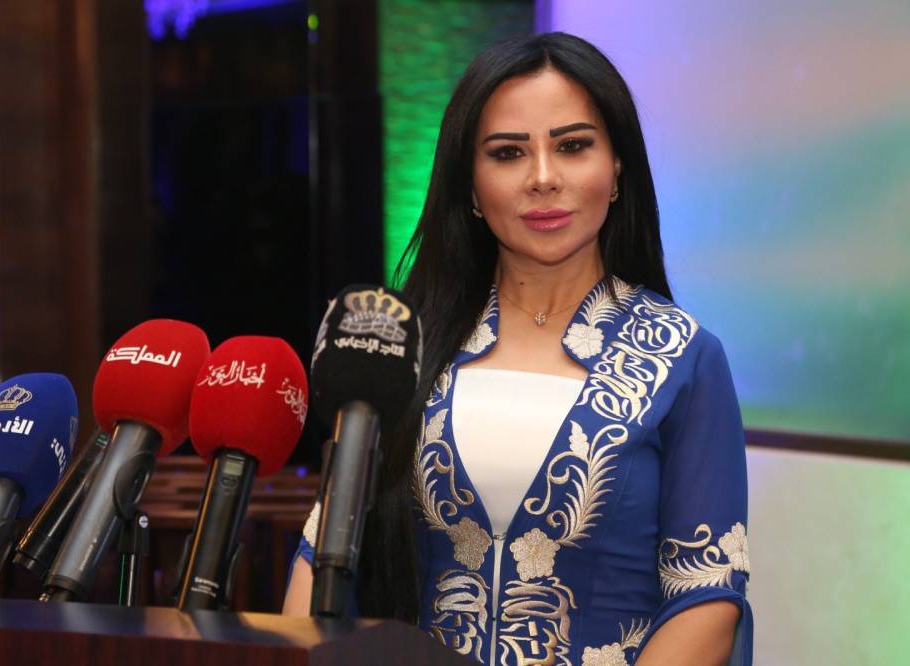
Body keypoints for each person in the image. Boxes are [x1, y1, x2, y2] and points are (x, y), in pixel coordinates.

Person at [284, 31, 752, 666]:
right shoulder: (403, 348)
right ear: (470, 187)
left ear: (617, 167)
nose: (543, 178)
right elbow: (322, 557)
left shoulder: (682, 357)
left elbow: (706, 598)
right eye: (508, 153)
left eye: (573, 146)